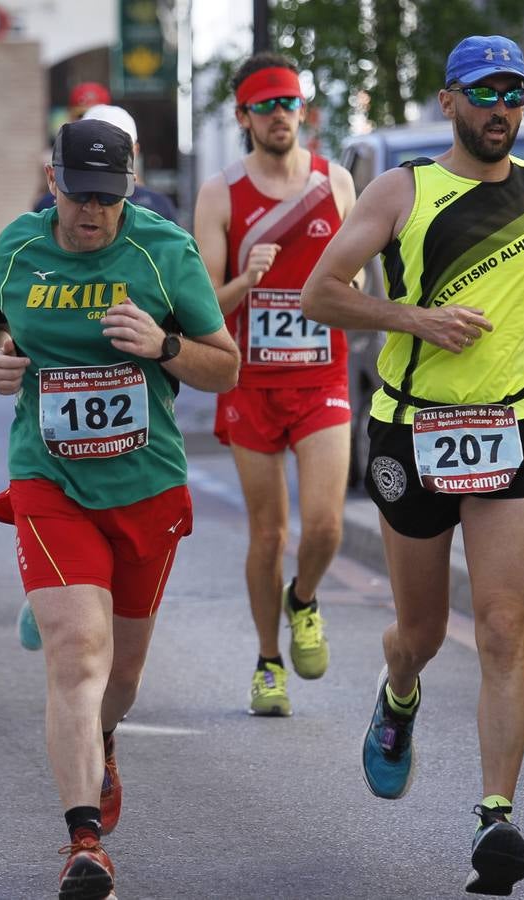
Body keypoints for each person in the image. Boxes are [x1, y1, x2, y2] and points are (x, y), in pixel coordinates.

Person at [300, 35, 524, 896]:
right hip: (413, 433)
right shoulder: (401, 190)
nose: (500, 109)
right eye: (483, 94)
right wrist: (414, 319)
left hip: (514, 426)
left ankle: (494, 820)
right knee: (424, 631)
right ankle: (398, 691)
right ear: (450, 102)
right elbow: (320, 292)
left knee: (505, 630)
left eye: (513, 93)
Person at [0, 118, 238, 899]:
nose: (92, 214)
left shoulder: (163, 252)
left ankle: (104, 736)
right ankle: (84, 842)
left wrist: (163, 347)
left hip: (145, 487)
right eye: (79, 196)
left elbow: (225, 369)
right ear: (52, 183)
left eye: (107, 199)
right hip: (48, 482)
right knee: (78, 653)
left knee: (121, 673)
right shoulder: (18, 247)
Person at [192, 52, 359, 717]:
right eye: (265, 107)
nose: (279, 116)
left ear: (302, 110)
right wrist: (246, 280)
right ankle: (267, 661)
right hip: (249, 381)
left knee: (323, 526)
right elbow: (201, 302)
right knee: (268, 535)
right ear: (243, 117)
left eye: (288, 103)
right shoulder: (219, 194)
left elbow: (364, 280)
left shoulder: (335, 184)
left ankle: (305, 599)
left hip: (321, 376)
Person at [33, 105, 179, 224]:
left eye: (116, 145)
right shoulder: (48, 206)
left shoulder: (157, 207)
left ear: (134, 150)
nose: (93, 208)